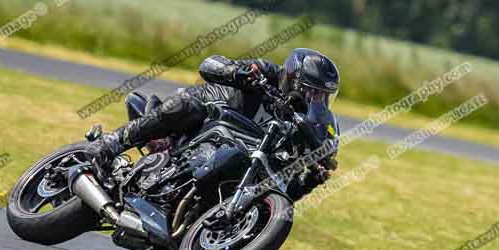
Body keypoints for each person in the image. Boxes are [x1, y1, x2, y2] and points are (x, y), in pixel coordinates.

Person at [85, 48, 340, 200]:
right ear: (294, 79)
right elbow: (209, 65)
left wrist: (308, 182)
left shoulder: (297, 125)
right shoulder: (265, 71)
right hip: (207, 118)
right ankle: (111, 143)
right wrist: (236, 73)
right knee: (186, 106)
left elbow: (278, 192)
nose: (315, 100)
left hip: (239, 154)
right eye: (312, 92)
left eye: (322, 96)